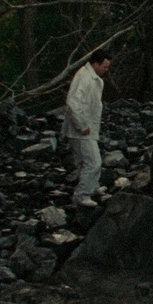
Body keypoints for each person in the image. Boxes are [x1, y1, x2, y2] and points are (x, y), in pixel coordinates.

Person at [63, 50, 111, 208]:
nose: (106, 70)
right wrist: (82, 125)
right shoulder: (84, 77)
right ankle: (82, 195)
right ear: (96, 63)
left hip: (88, 128)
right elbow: (73, 102)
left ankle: (93, 186)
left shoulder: (93, 78)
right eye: (104, 66)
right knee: (93, 162)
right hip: (81, 130)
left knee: (87, 161)